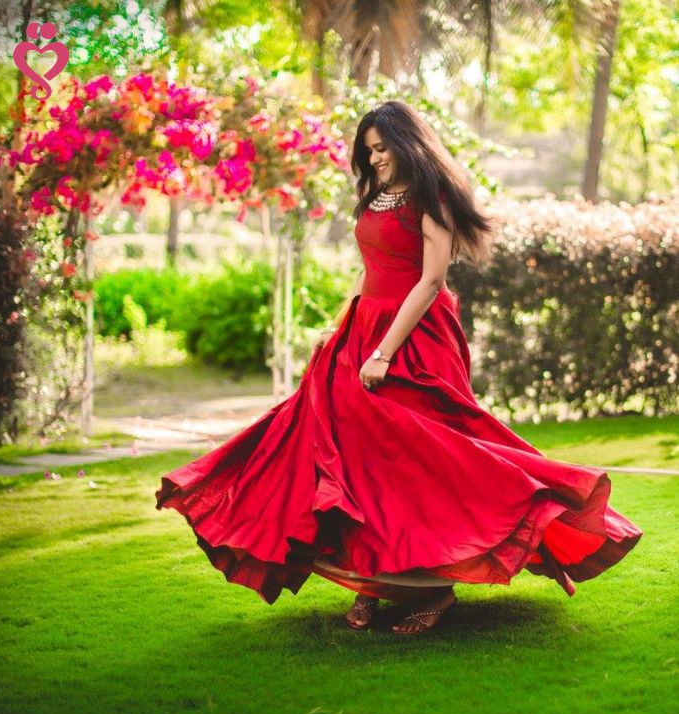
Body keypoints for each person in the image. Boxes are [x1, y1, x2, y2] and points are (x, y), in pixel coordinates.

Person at [156, 99, 641, 638]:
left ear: (408, 143)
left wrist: (385, 351)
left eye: (383, 147)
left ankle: (434, 589)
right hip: (366, 329)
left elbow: (430, 280)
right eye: (369, 150)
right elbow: (373, 272)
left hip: (415, 337)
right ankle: (376, 579)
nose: (376, 157)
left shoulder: (431, 196)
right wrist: (343, 326)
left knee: (421, 461)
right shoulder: (376, 194)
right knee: (357, 457)